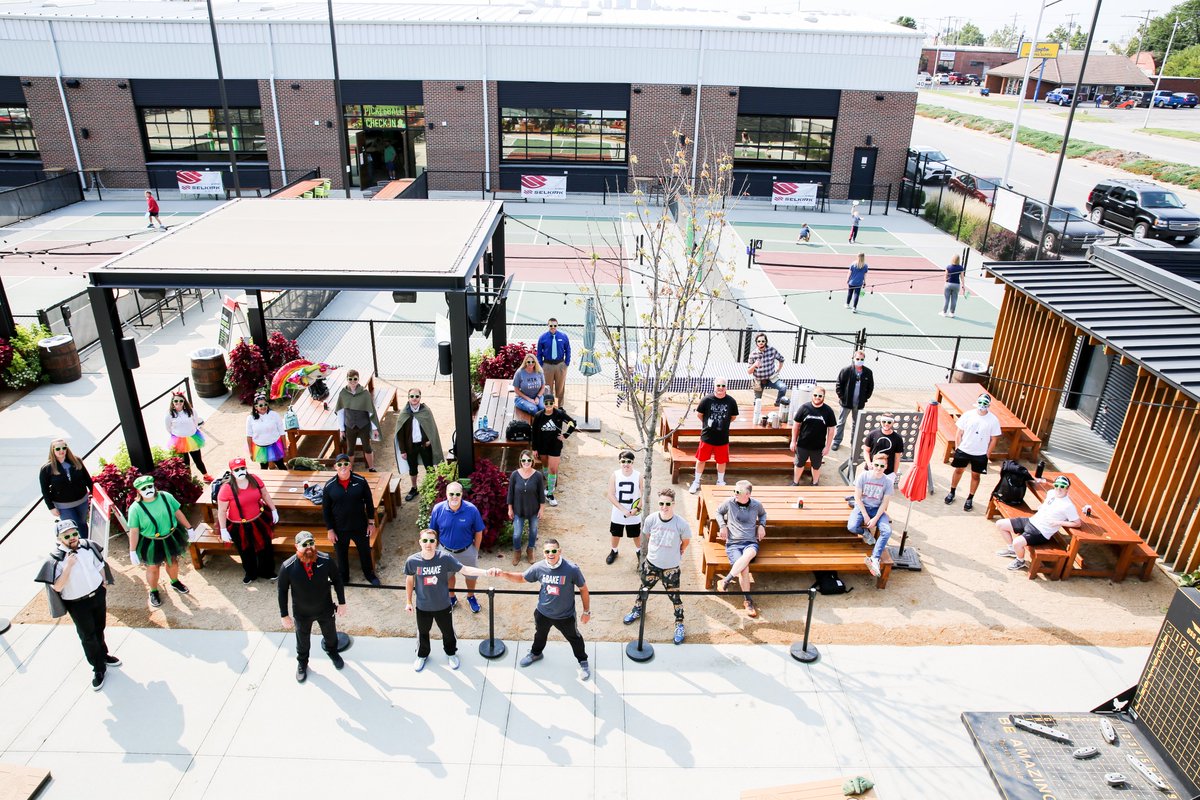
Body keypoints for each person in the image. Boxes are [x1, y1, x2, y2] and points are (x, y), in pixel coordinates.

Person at [34, 518, 120, 691]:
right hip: (77, 603)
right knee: (88, 636)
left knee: (99, 628)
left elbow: (99, 564)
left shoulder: (88, 546)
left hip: (96, 595)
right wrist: (69, 566)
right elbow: (57, 586)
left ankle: (103, 655)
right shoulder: (56, 560)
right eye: (67, 536)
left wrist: (102, 582)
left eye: (74, 534)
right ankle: (98, 668)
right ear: (59, 539)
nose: (73, 538)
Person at [496, 538, 591, 681]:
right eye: (547, 551)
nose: (550, 554)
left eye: (554, 551)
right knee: (540, 635)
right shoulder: (539, 567)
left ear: (559, 551)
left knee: (574, 638)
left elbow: (583, 589)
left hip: (565, 616)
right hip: (543, 613)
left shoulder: (571, 569)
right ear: (544, 552)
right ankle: (536, 653)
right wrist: (504, 574)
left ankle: (583, 662)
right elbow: (522, 578)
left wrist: (586, 611)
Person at [404, 528, 495, 672]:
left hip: (443, 605)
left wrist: (485, 572)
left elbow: (464, 570)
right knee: (422, 632)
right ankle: (422, 655)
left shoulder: (444, 558)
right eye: (425, 540)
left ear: (436, 543)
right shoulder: (412, 561)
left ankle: (451, 653)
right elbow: (410, 581)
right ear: (420, 542)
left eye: (432, 541)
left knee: (448, 632)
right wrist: (408, 601)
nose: (429, 544)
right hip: (422, 606)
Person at [623, 488, 691, 644]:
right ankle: (637, 610)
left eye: (668, 504)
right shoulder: (651, 519)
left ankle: (679, 623)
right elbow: (648, 536)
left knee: (675, 598)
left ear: (673, 504)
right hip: (652, 564)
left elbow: (685, 541)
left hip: (671, 568)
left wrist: (679, 550)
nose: (664, 507)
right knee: (643, 590)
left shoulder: (681, 524)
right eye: (661, 503)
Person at [278, 531, 346, 683]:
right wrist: (284, 614)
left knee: (330, 634)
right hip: (302, 612)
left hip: (325, 608)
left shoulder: (326, 560)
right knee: (302, 640)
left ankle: (333, 652)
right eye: (304, 545)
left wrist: (342, 602)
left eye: (311, 544)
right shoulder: (287, 567)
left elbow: (337, 580)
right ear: (296, 546)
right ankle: (302, 663)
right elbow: (282, 591)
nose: (309, 548)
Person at [125, 475, 192, 610]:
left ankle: (175, 581)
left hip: (171, 536)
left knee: (172, 561)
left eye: (150, 486)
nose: (148, 489)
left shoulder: (166, 496)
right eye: (144, 488)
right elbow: (134, 530)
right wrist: (132, 551)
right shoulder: (135, 508)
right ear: (138, 491)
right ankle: (154, 591)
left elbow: (178, 513)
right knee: (153, 567)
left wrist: (189, 528)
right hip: (151, 542)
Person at [996, 475, 1082, 572]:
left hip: (1041, 531)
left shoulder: (1068, 506)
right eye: (1056, 485)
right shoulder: (1051, 493)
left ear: (1067, 488)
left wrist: (1059, 522)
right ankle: (1012, 550)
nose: (1058, 488)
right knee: (1000, 524)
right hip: (1032, 521)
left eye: (1062, 486)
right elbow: (1048, 504)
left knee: (1017, 543)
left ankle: (1020, 561)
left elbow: (1077, 523)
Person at [216, 457, 279, 584]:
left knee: (265, 546)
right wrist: (223, 529)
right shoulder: (227, 488)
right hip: (239, 525)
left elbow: (265, 494)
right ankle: (251, 573)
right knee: (245, 550)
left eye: (243, 468)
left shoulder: (254, 479)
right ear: (232, 472)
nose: (240, 471)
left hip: (259, 520)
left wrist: (273, 509)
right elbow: (222, 510)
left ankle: (266, 571)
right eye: (237, 469)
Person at [322, 454, 380, 586]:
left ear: (350, 465)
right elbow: (325, 510)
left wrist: (371, 523)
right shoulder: (329, 486)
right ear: (335, 467)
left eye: (346, 464)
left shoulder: (361, 481)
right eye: (340, 464)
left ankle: (369, 575)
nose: (343, 467)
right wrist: (330, 530)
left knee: (365, 551)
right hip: (339, 528)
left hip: (360, 526)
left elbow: (369, 503)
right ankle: (344, 577)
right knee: (341, 555)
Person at [427, 481, 485, 613]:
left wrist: (475, 550)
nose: (454, 497)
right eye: (451, 494)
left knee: (471, 576)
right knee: (447, 576)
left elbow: (478, 531)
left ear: (462, 494)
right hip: (445, 551)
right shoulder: (438, 509)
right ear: (446, 494)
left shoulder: (471, 509)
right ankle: (451, 597)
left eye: (457, 494)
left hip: (466, 550)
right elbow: (433, 532)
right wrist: (434, 551)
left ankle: (471, 596)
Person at [714, 480, 766, 618]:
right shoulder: (729, 502)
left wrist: (762, 525)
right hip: (733, 544)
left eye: (738, 492)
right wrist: (722, 525)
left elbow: (763, 514)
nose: (735, 494)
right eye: (734, 491)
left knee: (749, 553)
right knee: (744, 568)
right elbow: (718, 512)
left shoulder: (756, 505)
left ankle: (726, 580)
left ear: (747, 494)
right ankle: (748, 601)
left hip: (750, 542)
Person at [944, 393, 1002, 512]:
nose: (982, 405)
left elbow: (994, 439)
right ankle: (952, 492)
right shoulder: (968, 415)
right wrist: (958, 448)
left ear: (989, 404)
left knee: (976, 475)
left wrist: (987, 454)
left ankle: (970, 497)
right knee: (958, 470)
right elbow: (959, 432)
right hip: (964, 449)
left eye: (985, 403)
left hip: (980, 453)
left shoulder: (993, 419)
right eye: (980, 402)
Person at [688, 379, 739, 495]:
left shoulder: (731, 401)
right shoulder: (706, 399)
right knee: (701, 459)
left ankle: (720, 481)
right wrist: (708, 425)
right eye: (718, 385)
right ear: (714, 386)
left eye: (723, 385)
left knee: (721, 461)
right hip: (707, 437)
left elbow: (733, 416)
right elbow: (699, 414)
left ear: (726, 387)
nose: (720, 388)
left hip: (722, 437)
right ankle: (696, 481)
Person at [39, 438, 94, 539]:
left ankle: (87, 545)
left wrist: (95, 495)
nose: (61, 450)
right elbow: (45, 490)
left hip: (82, 501)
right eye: (58, 448)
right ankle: (76, 548)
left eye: (64, 447)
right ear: (52, 450)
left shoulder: (76, 461)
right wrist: (51, 507)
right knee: (72, 528)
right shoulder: (47, 468)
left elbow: (87, 479)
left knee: (82, 523)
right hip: (63, 506)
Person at [395, 387, 443, 502]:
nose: (414, 398)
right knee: (413, 469)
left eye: (417, 396)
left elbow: (432, 428)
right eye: (412, 396)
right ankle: (414, 488)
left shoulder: (425, 411)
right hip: (410, 446)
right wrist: (402, 450)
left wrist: (430, 440)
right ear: (408, 398)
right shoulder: (404, 413)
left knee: (430, 467)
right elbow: (400, 434)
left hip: (424, 445)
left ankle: (432, 488)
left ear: (420, 397)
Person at [850, 455, 894, 579]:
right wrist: (864, 514)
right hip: (862, 506)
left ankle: (874, 558)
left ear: (885, 467)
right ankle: (865, 533)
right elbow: (857, 498)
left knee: (887, 531)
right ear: (872, 464)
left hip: (877, 510)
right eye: (876, 465)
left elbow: (884, 504)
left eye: (881, 466)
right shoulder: (863, 476)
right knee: (852, 526)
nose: (878, 468)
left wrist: (875, 519)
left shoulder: (888, 482)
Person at [530, 395, 575, 506]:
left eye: (551, 403)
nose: (549, 405)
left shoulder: (559, 414)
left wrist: (565, 435)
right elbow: (534, 433)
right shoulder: (538, 416)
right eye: (546, 403)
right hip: (542, 446)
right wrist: (534, 448)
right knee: (545, 467)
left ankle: (550, 494)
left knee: (553, 469)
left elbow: (573, 423)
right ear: (543, 403)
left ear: (554, 403)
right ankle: (548, 486)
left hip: (555, 446)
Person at [333, 369, 381, 472]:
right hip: (349, 425)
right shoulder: (343, 393)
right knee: (350, 450)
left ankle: (371, 467)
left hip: (363, 425)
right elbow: (340, 412)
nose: (353, 381)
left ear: (358, 379)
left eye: (355, 379)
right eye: (350, 379)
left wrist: (374, 428)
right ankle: (349, 470)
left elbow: (371, 412)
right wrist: (341, 429)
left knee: (367, 447)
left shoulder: (365, 393)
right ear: (347, 380)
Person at [789, 385, 837, 485]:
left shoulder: (828, 411)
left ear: (824, 397)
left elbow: (831, 430)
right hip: (802, 444)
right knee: (799, 464)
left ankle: (815, 483)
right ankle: (795, 482)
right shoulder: (804, 408)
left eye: (820, 396)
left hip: (818, 446)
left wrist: (827, 447)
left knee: (816, 466)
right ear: (812, 395)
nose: (817, 397)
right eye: (815, 395)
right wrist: (793, 441)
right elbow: (796, 425)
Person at [508, 450, 547, 565]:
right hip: (518, 509)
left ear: (532, 461)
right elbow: (510, 493)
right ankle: (517, 551)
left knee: (533, 531)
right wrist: (510, 509)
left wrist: (542, 509)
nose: (526, 462)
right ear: (520, 461)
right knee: (517, 534)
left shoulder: (538, 475)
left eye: (528, 460)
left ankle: (530, 550)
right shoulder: (515, 475)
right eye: (524, 460)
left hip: (533, 509)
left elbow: (541, 494)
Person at [605, 450, 644, 566]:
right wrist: (622, 509)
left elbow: (644, 494)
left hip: (633, 512)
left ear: (633, 462)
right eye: (623, 461)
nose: (626, 464)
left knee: (636, 534)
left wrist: (636, 509)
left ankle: (639, 552)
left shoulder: (639, 476)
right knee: (615, 533)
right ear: (619, 462)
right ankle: (614, 551)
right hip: (618, 511)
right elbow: (610, 495)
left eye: (629, 461)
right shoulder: (615, 475)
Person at [832, 351, 875, 452]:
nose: (859, 361)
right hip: (846, 403)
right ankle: (837, 441)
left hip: (859, 404)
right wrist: (842, 397)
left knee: (856, 424)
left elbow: (870, 387)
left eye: (861, 359)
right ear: (853, 358)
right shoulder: (846, 370)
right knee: (841, 422)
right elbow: (839, 385)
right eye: (858, 359)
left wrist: (865, 398)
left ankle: (854, 443)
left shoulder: (868, 372)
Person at [165, 392, 212, 483]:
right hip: (179, 440)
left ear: (184, 401)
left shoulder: (191, 411)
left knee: (198, 460)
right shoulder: (169, 415)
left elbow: (195, 422)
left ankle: (206, 476)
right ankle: (188, 480)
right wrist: (177, 435)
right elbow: (168, 428)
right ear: (172, 402)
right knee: (185, 462)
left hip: (192, 439)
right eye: (176, 401)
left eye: (181, 400)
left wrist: (191, 432)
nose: (178, 403)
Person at [246, 393, 287, 470]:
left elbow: (282, 432)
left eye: (265, 404)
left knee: (281, 466)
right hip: (260, 448)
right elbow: (249, 436)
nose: (264, 407)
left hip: (275, 446)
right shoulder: (250, 418)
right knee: (263, 468)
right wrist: (251, 452)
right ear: (255, 407)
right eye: (260, 405)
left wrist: (285, 447)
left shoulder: (274, 415)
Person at [537, 318, 571, 407]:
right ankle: (549, 408)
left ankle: (559, 408)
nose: (553, 327)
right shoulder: (542, 337)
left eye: (555, 325)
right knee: (548, 389)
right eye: (551, 325)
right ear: (548, 326)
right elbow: (539, 353)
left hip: (560, 365)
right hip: (547, 366)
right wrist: (541, 365)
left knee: (560, 388)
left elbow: (568, 350)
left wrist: (566, 363)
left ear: (557, 326)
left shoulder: (563, 336)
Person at [861, 415, 905, 486]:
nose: (886, 424)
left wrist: (894, 473)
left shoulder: (897, 438)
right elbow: (866, 450)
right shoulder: (872, 434)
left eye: (889, 422)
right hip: (871, 469)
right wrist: (869, 464)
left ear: (893, 423)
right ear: (880, 422)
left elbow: (897, 457)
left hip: (887, 471)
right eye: (884, 421)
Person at [747, 333, 788, 405]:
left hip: (771, 378)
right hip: (758, 380)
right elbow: (749, 372)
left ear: (766, 342)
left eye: (763, 341)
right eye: (759, 341)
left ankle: (778, 403)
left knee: (783, 387)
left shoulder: (772, 350)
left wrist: (778, 370)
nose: (761, 343)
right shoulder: (753, 354)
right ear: (756, 343)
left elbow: (781, 359)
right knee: (757, 402)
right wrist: (754, 365)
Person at [941, 254, 967, 318]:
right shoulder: (961, 268)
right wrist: (963, 286)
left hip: (948, 284)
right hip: (956, 285)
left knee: (946, 299)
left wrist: (945, 283)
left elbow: (946, 276)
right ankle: (952, 313)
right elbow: (962, 277)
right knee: (954, 299)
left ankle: (944, 312)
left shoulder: (948, 267)